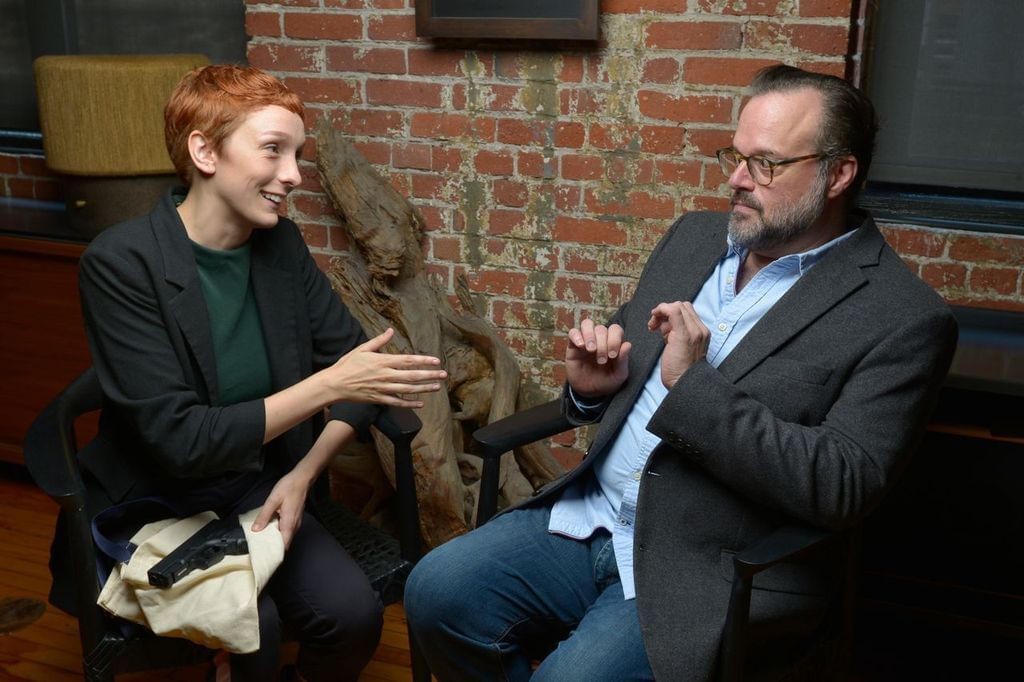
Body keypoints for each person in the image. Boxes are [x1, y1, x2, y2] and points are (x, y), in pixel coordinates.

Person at [405, 65, 958, 681]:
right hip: (591, 518)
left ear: (839, 174)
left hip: (706, 566)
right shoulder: (695, 238)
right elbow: (621, 359)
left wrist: (694, 386)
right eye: (736, 156)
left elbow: (841, 486)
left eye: (765, 164)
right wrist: (588, 393)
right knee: (437, 590)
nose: (737, 179)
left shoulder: (902, 317)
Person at [46, 64, 447, 682]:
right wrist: (330, 384)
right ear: (204, 152)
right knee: (257, 631)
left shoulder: (281, 246)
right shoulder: (121, 263)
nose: (293, 175)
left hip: (259, 487)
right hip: (158, 500)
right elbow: (182, 441)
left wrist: (304, 473)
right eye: (273, 150)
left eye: (297, 154)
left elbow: (358, 372)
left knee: (353, 617)